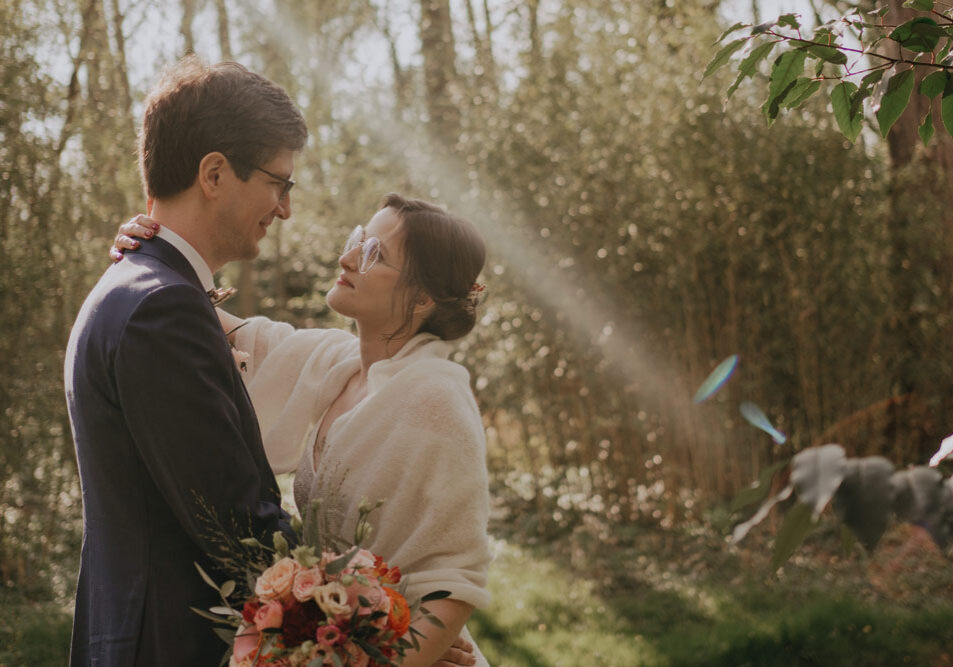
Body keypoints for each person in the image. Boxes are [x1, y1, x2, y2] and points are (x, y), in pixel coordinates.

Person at [112, 193, 493, 666]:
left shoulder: (437, 399)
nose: (347, 255)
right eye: (358, 238)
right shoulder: (335, 364)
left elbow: (452, 584)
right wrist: (150, 252)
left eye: (373, 252)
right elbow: (189, 316)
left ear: (423, 298)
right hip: (330, 647)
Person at [64, 57, 307, 665]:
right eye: (280, 183)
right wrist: (371, 610)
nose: (284, 209)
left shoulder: (139, 289)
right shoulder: (160, 310)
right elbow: (235, 525)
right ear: (216, 173)